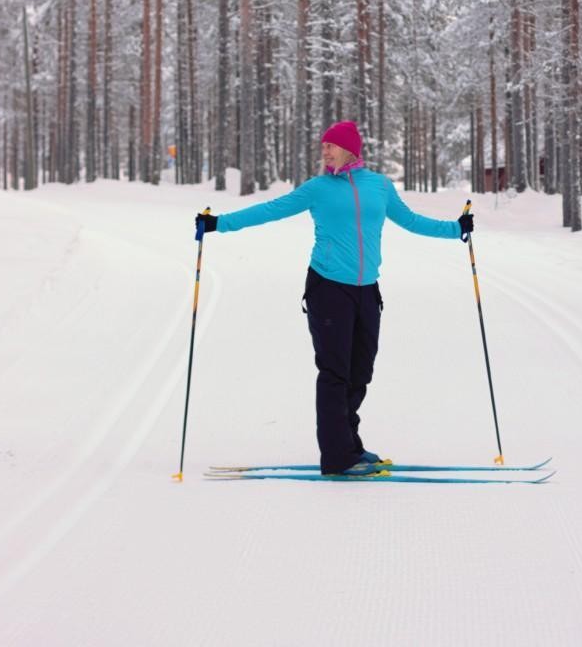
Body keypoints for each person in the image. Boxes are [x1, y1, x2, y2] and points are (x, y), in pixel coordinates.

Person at [195, 120, 473, 476]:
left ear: (349, 149)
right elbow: (269, 210)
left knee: (361, 370)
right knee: (335, 372)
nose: (324, 151)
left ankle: (350, 445)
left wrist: (456, 229)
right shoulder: (318, 188)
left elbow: (412, 221)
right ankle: (337, 456)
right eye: (323, 145)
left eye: (331, 145)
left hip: (367, 290)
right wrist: (218, 223)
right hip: (328, 288)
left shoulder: (380, 186)